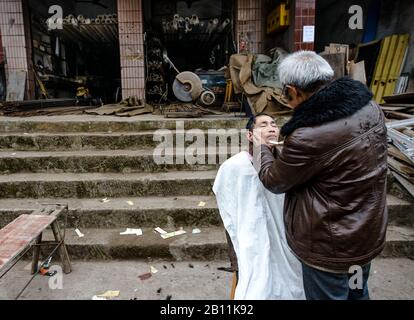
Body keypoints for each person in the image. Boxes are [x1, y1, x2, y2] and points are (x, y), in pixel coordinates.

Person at [252, 50, 388, 300]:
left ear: (293, 91)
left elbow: (274, 180)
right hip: (367, 232)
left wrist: (261, 146)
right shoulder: (370, 106)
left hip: (330, 245)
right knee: (358, 292)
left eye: (286, 96)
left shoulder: (307, 136)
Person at [213, 113, 305, 300]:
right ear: (249, 135)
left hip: (285, 238)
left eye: (274, 124)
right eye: (263, 125)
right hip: (252, 238)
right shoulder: (235, 166)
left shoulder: (286, 164)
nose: (271, 128)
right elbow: (229, 209)